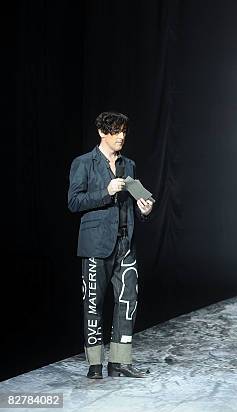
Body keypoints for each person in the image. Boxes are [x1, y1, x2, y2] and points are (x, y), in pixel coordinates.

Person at [68, 111, 153, 379]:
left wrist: (145, 209)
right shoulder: (83, 163)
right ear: (103, 133)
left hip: (125, 244)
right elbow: (74, 202)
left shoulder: (129, 165)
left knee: (127, 301)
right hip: (96, 244)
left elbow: (133, 201)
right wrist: (106, 191)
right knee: (93, 303)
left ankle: (120, 362)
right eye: (116, 131)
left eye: (124, 131)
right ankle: (95, 364)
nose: (122, 136)